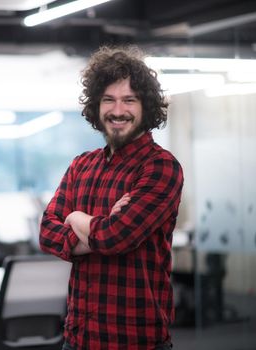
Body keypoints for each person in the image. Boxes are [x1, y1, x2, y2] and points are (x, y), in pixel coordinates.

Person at [39, 45, 184, 350]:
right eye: (109, 100)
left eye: (129, 100)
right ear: (96, 106)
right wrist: (100, 228)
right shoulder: (82, 165)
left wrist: (75, 217)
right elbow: (46, 234)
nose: (118, 111)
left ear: (146, 106)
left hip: (135, 340)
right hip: (78, 337)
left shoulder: (160, 166)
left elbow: (114, 239)